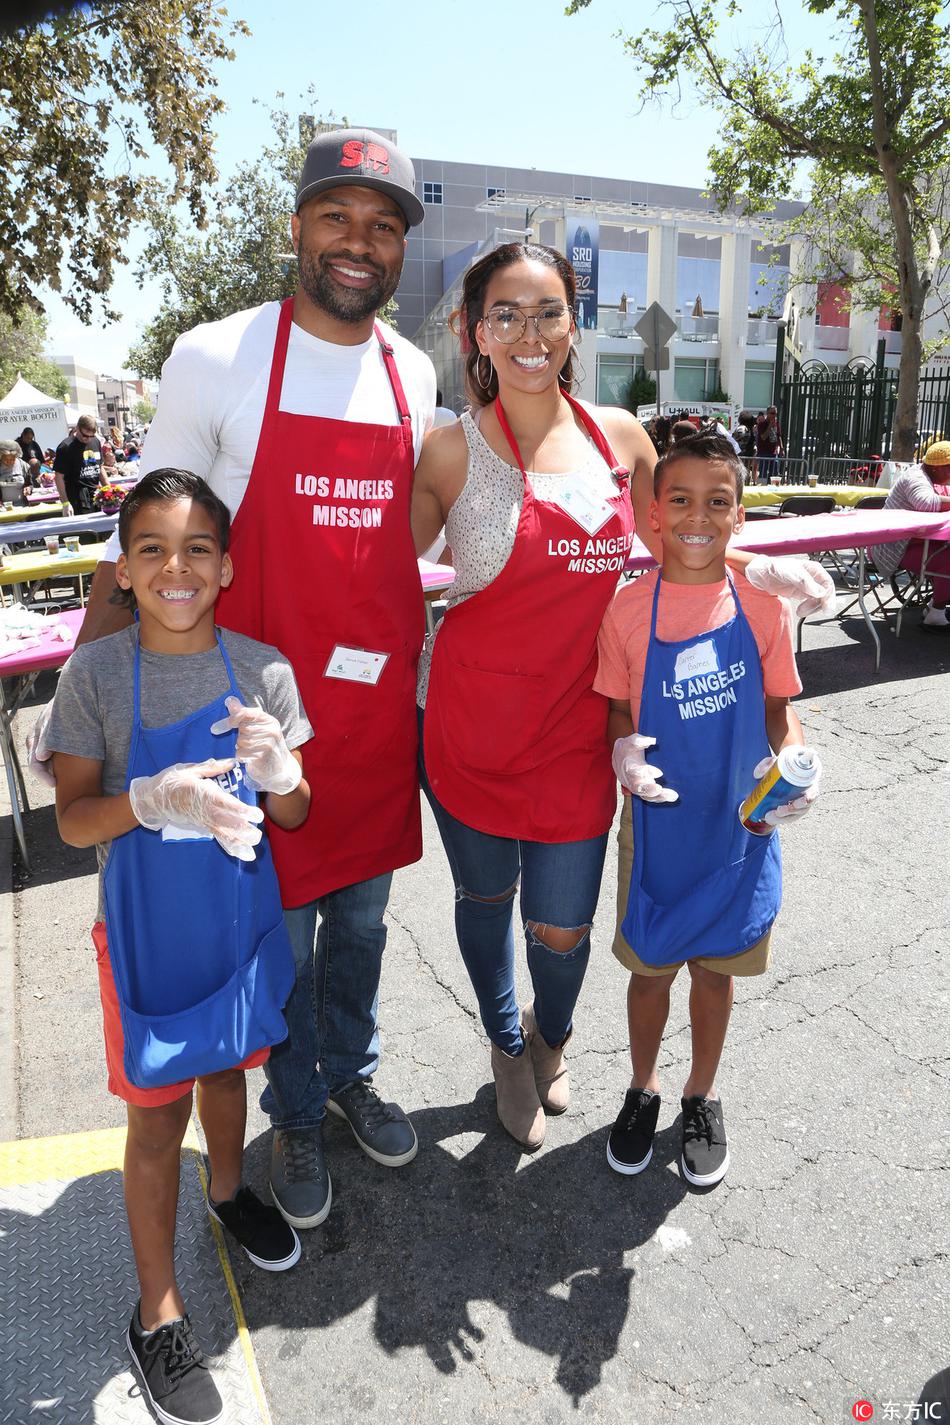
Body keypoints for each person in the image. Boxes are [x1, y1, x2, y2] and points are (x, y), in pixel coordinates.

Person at [41, 126, 436, 1230]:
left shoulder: (412, 372)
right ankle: (296, 1109)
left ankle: (349, 1074)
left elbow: (401, 542)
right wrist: (86, 694)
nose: (357, 243)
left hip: (365, 726)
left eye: (382, 225)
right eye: (336, 218)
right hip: (254, 729)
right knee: (282, 942)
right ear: (298, 227)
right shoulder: (216, 356)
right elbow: (150, 531)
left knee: (360, 928)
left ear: (402, 246)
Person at [410, 244, 834, 1152]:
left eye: (549, 311)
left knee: (561, 928)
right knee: (484, 905)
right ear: (474, 329)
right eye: (507, 314)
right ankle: (505, 1042)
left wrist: (762, 568)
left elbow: (688, 535)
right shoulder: (447, 449)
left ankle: (551, 1035)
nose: (530, 333)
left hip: (586, 731)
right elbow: (388, 581)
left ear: (574, 322)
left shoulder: (622, 438)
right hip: (469, 732)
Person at [46, 470, 312, 1425]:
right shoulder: (98, 676)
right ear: (123, 567)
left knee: (230, 1073)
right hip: (148, 938)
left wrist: (282, 768)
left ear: (227, 565)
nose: (175, 567)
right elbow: (74, 823)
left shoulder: (265, 669)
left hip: (239, 926)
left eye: (197, 547)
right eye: (152, 548)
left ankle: (231, 1190)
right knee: (157, 1117)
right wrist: (150, 798)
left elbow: (295, 807)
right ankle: (157, 1309)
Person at [595, 433, 818, 1186]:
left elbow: (781, 712)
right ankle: (643, 1086)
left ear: (739, 515)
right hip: (657, 831)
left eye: (716, 501)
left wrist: (794, 769)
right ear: (654, 515)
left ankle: (700, 1092)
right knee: (651, 971)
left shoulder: (762, 605)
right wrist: (623, 754)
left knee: (715, 975)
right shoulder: (626, 611)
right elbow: (617, 715)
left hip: (738, 825)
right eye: (680, 500)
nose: (698, 516)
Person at [870, 439, 950, 629]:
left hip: (915, 542)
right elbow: (927, 503)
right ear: (937, 467)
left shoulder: (935, 479)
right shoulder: (915, 477)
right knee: (948, 559)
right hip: (893, 546)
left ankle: (934, 606)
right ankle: (936, 614)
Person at [53, 413, 101, 511]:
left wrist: (108, 488)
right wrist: (65, 503)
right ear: (77, 428)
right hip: (77, 498)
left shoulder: (96, 442)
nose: (88, 439)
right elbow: (59, 477)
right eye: (85, 436)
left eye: (91, 436)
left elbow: (100, 467)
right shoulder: (65, 447)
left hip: (96, 495)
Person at [755, 404, 783, 483]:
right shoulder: (762, 424)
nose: (774, 415)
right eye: (772, 413)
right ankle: (761, 488)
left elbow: (779, 436)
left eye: (775, 413)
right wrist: (770, 426)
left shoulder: (776, 424)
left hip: (773, 453)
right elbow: (763, 437)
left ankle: (773, 488)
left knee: (774, 474)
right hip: (763, 453)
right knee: (763, 473)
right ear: (767, 413)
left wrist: (781, 448)